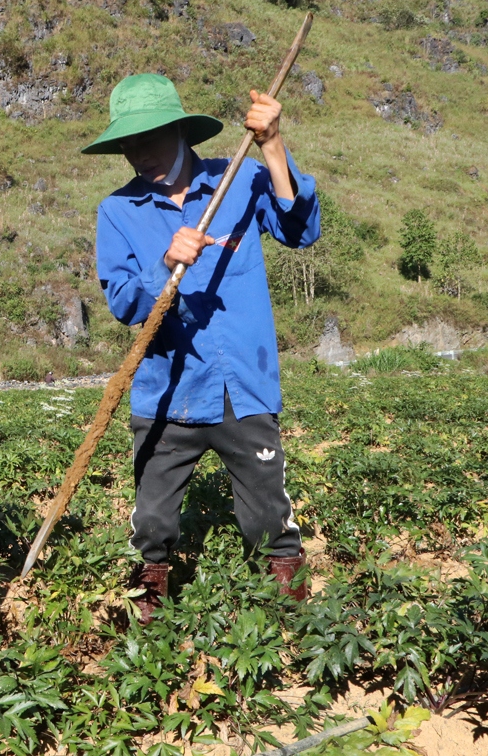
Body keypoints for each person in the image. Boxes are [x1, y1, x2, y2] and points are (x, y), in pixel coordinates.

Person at [83, 73, 321, 624]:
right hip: (167, 393)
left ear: (183, 132)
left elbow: (299, 230)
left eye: (153, 138)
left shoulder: (238, 179)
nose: (141, 154)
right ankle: (151, 622)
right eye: (129, 144)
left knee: (269, 519)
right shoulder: (117, 212)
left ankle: (292, 624)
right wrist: (164, 265)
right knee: (153, 525)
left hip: (243, 382)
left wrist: (273, 145)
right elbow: (123, 301)